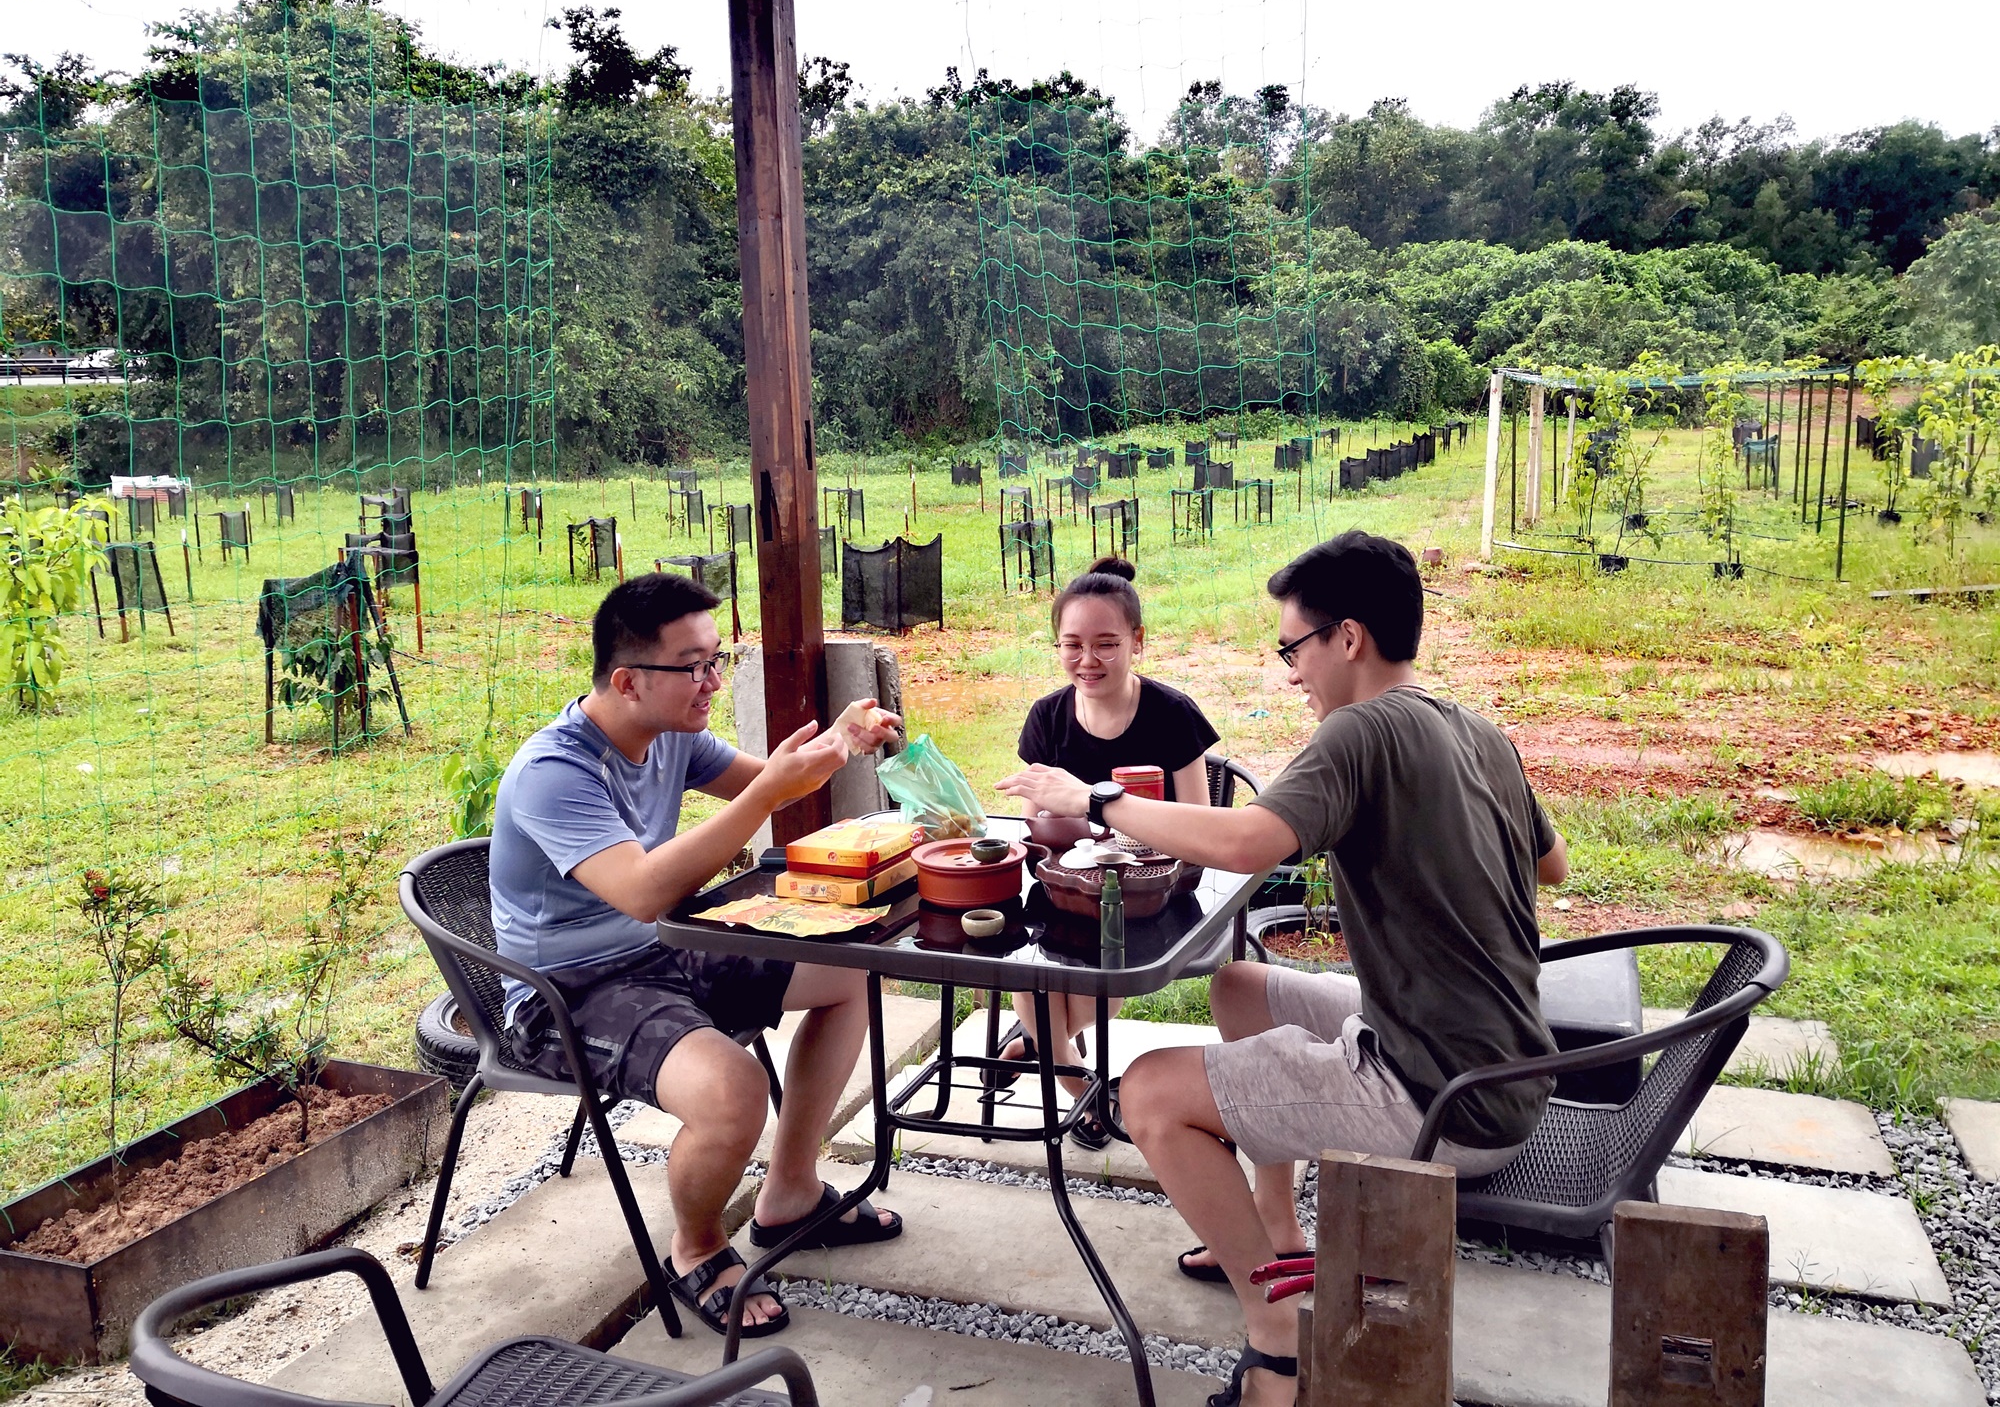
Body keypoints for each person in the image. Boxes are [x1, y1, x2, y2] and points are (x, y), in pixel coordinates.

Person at [997, 531, 1568, 1407]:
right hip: (1512, 1058)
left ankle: (1277, 1337)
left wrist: (1097, 797)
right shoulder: (1472, 727)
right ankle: (1271, 1231)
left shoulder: (1359, 731)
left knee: (1148, 1091)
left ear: (1348, 639)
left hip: (1442, 1093)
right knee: (1239, 987)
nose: (1290, 672)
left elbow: (1246, 841)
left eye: (1292, 648)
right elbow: (1551, 864)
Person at [489, 572, 907, 1340]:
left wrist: (838, 741)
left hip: (662, 953)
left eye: (717, 660)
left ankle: (789, 1192)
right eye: (695, 667)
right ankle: (697, 1245)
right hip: (563, 994)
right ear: (627, 680)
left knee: (852, 969)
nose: (714, 681)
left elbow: (769, 783)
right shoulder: (556, 771)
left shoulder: (668, 733)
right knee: (733, 1090)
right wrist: (770, 791)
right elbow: (644, 890)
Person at [995, 555, 1218, 1147]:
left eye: (1105, 644)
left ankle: (1039, 1045)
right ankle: (1086, 1092)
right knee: (1028, 964)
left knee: (1076, 995)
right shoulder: (1047, 716)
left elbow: (1198, 826)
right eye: (1072, 645)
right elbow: (1037, 824)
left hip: (1149, 892)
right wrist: (1075, 828)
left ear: (1137, 642)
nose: (1087, 660)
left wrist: (1102, 820)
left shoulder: (1173, 715)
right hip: (1067, 888)